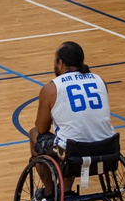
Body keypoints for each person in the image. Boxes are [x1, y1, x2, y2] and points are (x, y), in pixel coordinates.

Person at [29, 42, 116, 192]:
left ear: (60, 63)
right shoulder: (100, 81)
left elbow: (42, 128)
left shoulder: (51, 89)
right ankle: (66, 192)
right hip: (108, 147)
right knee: (73, 136)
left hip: (73, 153)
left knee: (35, 134)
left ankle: (51, 193)